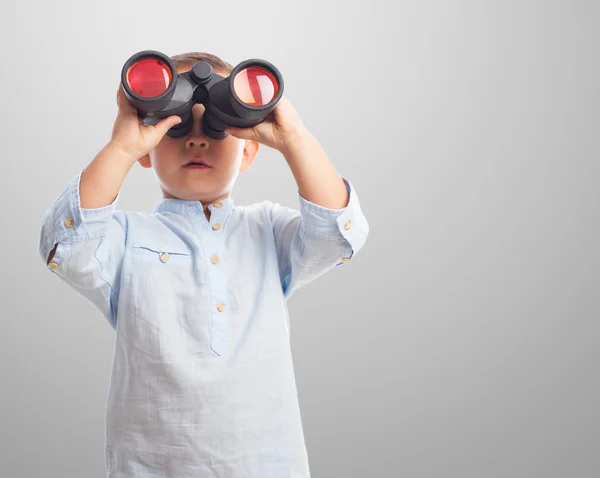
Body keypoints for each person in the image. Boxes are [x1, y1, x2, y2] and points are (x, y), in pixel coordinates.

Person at [38, 51, 369, 478]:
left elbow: (337, 234)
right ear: (147, 150)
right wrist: (120, 146)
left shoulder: (266, 229)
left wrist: (295, 138)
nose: (197, 140)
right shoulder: (125, 238)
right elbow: (65, 245)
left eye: (216, 126)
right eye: (175, 128)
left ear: (250, 150)